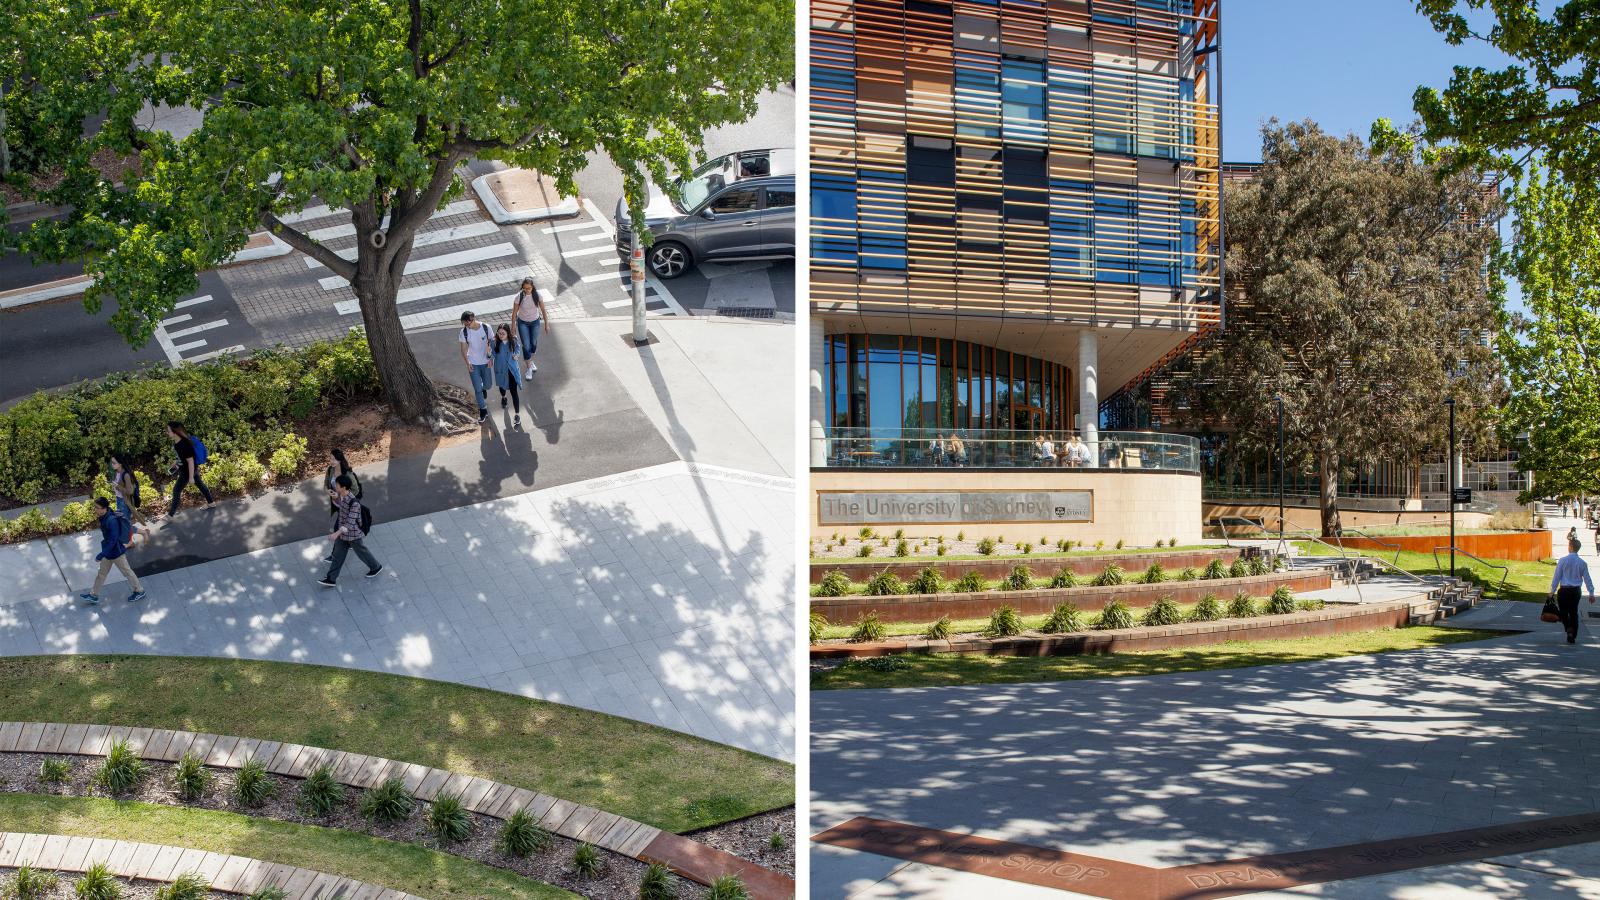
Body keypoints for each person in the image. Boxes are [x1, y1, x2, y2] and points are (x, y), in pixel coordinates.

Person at [319, 474, 382, 587]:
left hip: (353, 535)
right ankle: (331, 579)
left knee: (362, 552)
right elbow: (340, 506)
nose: (335, 486)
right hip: (343, 535)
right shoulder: (341, 496)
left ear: (343, 487)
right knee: (338, 555)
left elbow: (350, 523)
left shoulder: (354, 503)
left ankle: (376, 567)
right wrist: (335, 497)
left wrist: (336, 534)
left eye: (337, 485)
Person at [80, 498, 144, 604]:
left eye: (97, 508)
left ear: (104, 509)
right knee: (101, 574)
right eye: (95, 507)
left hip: (116, 552)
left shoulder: (111, 521)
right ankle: (93, 595)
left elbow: (113, 540)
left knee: (127, 572)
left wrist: (102, 554)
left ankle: (139, 591)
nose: (95, 509)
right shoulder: (104, 516)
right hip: (109, 551)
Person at [1550, 536, 1596, 645]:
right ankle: (1573, 634)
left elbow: (1557, 576)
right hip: (1575, 591)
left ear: (1570, 547)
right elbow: (1587, 579)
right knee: (1574, 612)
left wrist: (1552, 590)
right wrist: (1591, 593)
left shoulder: (1562, 561)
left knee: (1563, 612)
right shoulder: (1582, 563)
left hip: (1564, 591)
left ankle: (1568, 628)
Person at [165, 422, 216, 514]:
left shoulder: (183, 445)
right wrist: (176, 462)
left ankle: (170, 515)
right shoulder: (177, 443)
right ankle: (211, 503)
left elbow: (190, 461)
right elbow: (182, 457)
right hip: (188, 469)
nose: (167, 433)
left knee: (176, 491)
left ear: (175, 432)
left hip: (187, 472)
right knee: (200, 485)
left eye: (168, 431)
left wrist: (191, 477)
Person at [322, 448, 361, 563]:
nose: (331, 461)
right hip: (336, 504)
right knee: (345, 526)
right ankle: (349, 542)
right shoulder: (330, 470)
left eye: (333, 459)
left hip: (345, 506)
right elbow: (325, 485)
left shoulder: (347, 474)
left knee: (337, 529)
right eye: (330, 458)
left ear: (339, 460)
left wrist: (341, 496)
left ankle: (334, 555)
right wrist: (328, 492)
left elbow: (356, 490)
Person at [506, 278, 549, 378]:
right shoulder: (519, 296)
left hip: (535, 322)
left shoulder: (537, 295)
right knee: (526, 345)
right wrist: (513, 326)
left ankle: (530, 360)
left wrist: (546, 324)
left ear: (532, 286)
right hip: (523, 323)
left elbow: (543, 309)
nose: (527, 290)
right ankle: (529, 367)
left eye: (529, 288)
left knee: (533, 343)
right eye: (525, 288)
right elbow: (514, 313)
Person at [108, 453, 153, 545]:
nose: (112, 464)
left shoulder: (126, 475)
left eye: (114, 463)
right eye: (111, 462)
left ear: (120, 463)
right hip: (119, 500)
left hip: (124, 503)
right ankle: (130, 542)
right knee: (123, 522)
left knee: (124, 524)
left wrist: (118, 487)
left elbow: (130, 491)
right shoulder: (117, 472)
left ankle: (143, 533)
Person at [458, 310, 494, 424]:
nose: (467, 325)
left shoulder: (486, 327)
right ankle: (483, 410)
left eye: (468, 323)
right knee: (477, 388)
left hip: (486, 362)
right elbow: (463, 349)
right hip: (473, 363)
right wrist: (467, 363)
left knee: (488, 385)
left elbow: (492, 343)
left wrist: (491, 359)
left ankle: (483, 388)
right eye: (465, 324)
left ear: (473, 318)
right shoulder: (464, 332)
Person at [491, 323, 525, 432]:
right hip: (500, 370)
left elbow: (518, 349)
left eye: (503, 333)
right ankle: (504, 397)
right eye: (499, 333)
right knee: (502, 387)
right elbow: (492, 355)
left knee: (514, 392)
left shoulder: (513, 341)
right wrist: (488, 354)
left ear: (508, 333)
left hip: (511, 370)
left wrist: (516, 354)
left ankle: (517, 414)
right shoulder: (495, 342)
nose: (501, 335)